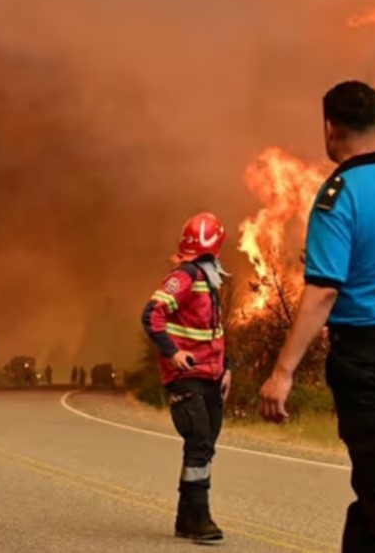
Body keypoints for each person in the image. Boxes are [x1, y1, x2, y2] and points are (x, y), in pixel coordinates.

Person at [258, 80, 375, 552]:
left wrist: (283, 372)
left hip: (368, 360)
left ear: (329, 129)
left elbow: (322, 291)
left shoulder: (337, 196)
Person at [140, 211, 233, 542]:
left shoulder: (210, 279)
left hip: (211, 376)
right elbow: (152, 314)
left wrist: (228, 368)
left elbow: (215, 331)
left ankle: (184, 519)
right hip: (187, 377)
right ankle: (201, 518)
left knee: (204, 449)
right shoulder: (184, 276)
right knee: (199, 443)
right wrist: (173, 353)